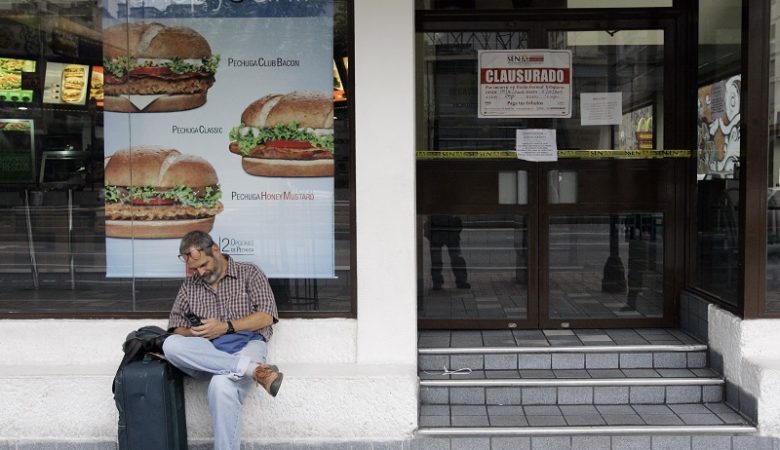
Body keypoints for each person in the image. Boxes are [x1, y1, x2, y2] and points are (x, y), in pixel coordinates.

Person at [161, 231, 282, 450]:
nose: (199, 272)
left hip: (247, 345)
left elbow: (267, 315)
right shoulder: (190, 285)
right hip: (207, 352)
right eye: (194, 268)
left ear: (215, 250)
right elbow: (176, 327)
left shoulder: (249, 273)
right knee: (170, 345)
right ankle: (254, 370)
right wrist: (196, 332)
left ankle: (244, 366)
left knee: (221, 385)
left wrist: (225, 327)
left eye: (203, 265)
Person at [425, 214, 470, 290]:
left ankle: (437, 282)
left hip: (438, 227)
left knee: (437, 260)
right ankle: (460, 281)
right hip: (448, 227)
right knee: (455, 258)